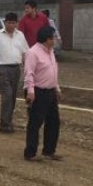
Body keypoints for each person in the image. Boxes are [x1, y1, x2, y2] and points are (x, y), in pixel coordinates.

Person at [23, 26, 62, 162]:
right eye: (53, 38)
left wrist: (56, 88)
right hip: (38, 91)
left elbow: (52, 71)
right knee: (35, 122)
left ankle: (49, 151)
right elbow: (29, 73)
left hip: (50, 91)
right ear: (47, 39)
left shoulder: (50, 51)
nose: (55, 40)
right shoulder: (33, 53)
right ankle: (30, 153)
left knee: (53, 122)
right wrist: (30, 92)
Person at [0, 12, 30, 133]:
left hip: (16, 69)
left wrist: (28, 70)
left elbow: (25, 53)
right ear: (5, 23)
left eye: (13, 23)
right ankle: (5, 123)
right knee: (7, 95)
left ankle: (7, 121)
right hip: (1, 68)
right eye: (9, 23)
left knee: (13, 96)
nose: (11, 25)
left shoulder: (20, 35)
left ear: (17, 24)